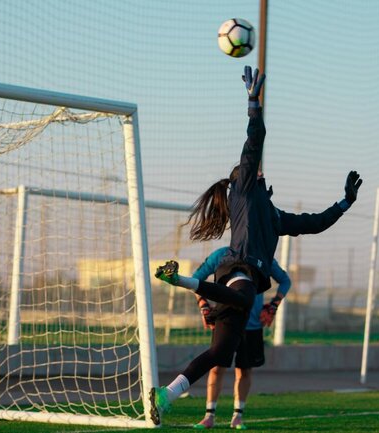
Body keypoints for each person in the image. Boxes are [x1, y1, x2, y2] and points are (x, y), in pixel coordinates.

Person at [148, 65, 362, 425]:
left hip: (240, 282)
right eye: (252, 167)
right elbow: (255, 139)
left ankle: (165, 395)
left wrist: (345, 203)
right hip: (237, 271)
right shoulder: (244, 190)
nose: (258, 168)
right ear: (242, 180)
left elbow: (315, 222)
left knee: (221, 352)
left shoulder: (275, 216)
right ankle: (180, 280)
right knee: (247, 299)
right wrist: (253, 103)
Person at [191, 247, 291, 430]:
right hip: (226, 322)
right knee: (216, 369)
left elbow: (285, 281)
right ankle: (209, 416)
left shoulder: (263, 256)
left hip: (252, 326)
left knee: (244, 371)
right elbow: (195, 279)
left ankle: (238, 417)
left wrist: (273, 305)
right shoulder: (221, 255)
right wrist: (203, 305)